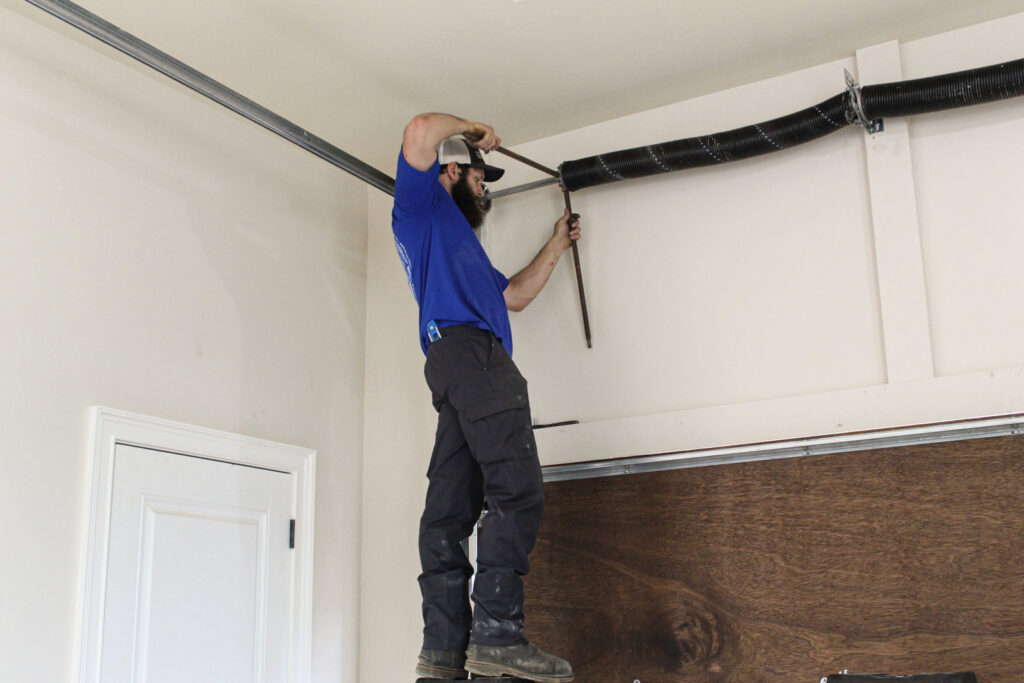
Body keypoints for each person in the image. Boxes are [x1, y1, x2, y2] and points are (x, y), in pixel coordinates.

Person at [392, 112, 579, 683]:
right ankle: (498, 634)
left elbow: (516, 296)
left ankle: (443, 652)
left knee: (448, 513)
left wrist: (556, 244)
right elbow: (420, 128)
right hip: (473, 357)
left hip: (453, 363)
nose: (485, 189)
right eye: (481, 178)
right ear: (452, 170)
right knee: (517, 491)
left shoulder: (462, 253)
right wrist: (473, 126)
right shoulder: (422, 210)